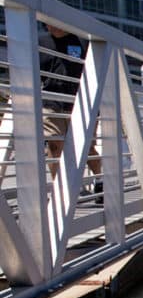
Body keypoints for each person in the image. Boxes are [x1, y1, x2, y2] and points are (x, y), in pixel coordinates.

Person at [40, 24, 101, 196]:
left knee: (87, 147)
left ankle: (100, 179)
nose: (53, 27)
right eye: (48, 23)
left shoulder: (84, 40)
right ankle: (63, 189)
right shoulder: (40, 41)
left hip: (82, 102)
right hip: (51, 102)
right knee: (53, 142)